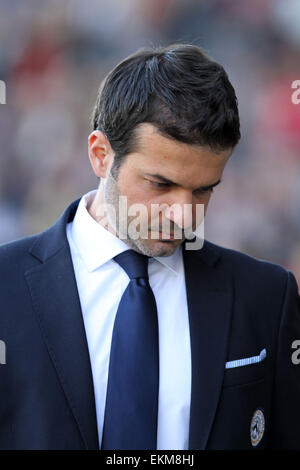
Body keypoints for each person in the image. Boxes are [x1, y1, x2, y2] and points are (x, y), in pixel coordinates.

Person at [0, 44, 299, 450]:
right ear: (101, 155)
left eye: (203, 190)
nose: (183, 216)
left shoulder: (265, 296)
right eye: (161, 184)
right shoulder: (5, 287)